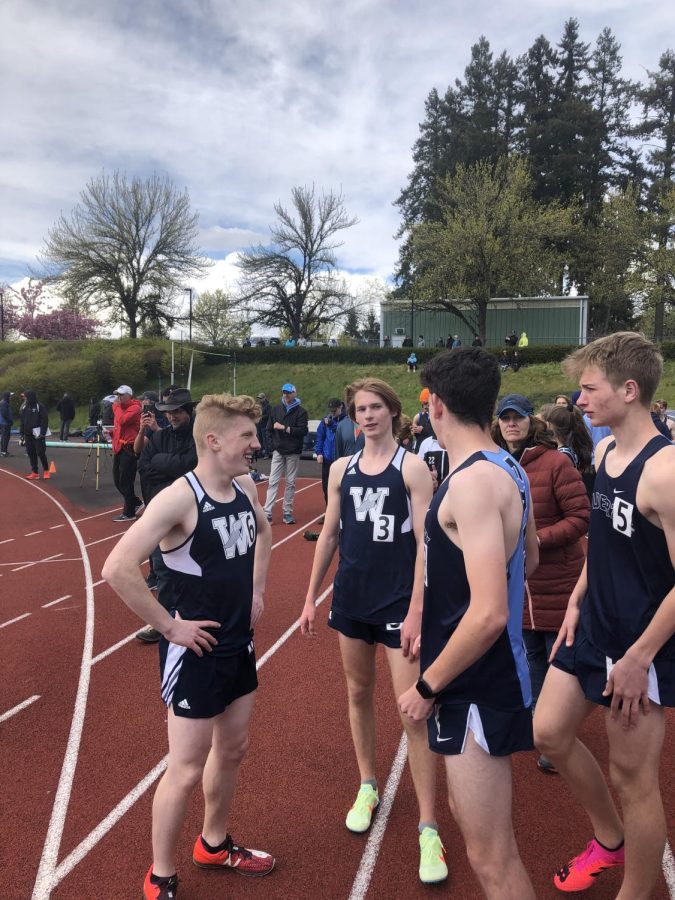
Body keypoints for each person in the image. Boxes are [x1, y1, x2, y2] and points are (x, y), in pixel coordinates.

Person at [102, 393, 275, 899]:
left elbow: (263, 535)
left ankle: (214, 843)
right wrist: (171, 627)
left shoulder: (244, 486)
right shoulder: (180, 497)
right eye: (246, 436)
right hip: (195, 653)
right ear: (214, 440)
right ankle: (160, 873)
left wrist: (258, 589)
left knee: (234, 748)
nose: (256, 444)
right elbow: (116, 568)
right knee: (184, 768)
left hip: (238, 644)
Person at [534, 332, 675, 897]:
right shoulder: (605, 450)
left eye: (589, 388)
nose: (579, 399)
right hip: (593, 623)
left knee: (633, 778)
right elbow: (610, 539)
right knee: (547, 732)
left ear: (630, 390)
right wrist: (576, 596)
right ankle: (609, 840)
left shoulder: (664, 471)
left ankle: (635, 893)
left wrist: (640, 657)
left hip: (641, 643)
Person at [397, 348, 539, 900]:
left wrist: (426, 687)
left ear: (437, 407)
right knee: (467, 818)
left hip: (474, 684)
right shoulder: (509, 468)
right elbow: (529, 560)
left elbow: (489, 613)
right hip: (479, 676)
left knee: (491, 856)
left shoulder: (474, 483)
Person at [301, 378, 447, 886]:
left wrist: (416, 609)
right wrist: (309, 597)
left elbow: (428, 544)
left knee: (412, 707)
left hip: (396, 603)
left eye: (375, 407)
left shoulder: (411, 469)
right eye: (359, 409)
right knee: (358, 692)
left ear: (392, 412)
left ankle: (429, 825)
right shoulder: (341, 469)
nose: (366, 416)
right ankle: (368, 782)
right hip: (352, 599)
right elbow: (331, 533)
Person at [492, 394, 590, 774]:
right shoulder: (497, 464)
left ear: (531, 421)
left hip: (557, 582)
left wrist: (535, 541)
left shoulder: (555, 463)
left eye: (518, 417)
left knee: (559, 656)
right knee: (532, 653)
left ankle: (557, 732)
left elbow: (580, 517)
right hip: (521, 586)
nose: (511, 424)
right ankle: (539, 723)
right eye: (505, 418)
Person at [135, 388, 198, 642]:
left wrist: (162, 463)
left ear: (189, 412)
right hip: (160, 513)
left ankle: (193, 614)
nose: (173, 417)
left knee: (194, 566)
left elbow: (190, 466)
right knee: (162, 568)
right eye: (169, 412)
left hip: (191, 515)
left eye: (178, 412)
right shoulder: (160, 439)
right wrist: (172, 466)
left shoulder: (198, 438)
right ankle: (165, 621)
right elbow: (144, 466)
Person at [263, 383, 308, 525]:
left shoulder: (301, 412)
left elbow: (303, 431)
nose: (286, 395)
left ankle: (287, 512)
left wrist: (285, 428)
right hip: (278, 451)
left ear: (294, 393)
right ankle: (267, 512)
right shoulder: (276, 409)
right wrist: (272, 447)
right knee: (272, 481)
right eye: (284, 392)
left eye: (288, 392)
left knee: (290, 483)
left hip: (293, 452)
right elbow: (268, 429)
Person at [111, 385, 142, 522]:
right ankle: (134, 502)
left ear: (130, 395)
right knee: (117, 480)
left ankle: (129, 512)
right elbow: (119, 427)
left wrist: (116, 407)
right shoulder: (121, 408)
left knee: (125, 480)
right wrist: (111, 433)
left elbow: (122, 421)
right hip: (119, 448)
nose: (118, 398)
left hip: (129, 448)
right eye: (117, 395)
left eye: (121, 395)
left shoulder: (135, 408)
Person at [314, 398, 346, 516]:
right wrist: (319, 453)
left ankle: (343, 513)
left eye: (335, 410)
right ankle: (329, 512)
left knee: (343, 487)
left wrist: (332, 424)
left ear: (341, 407)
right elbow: (320, 437)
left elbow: (342, 433)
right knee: (326, 487)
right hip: (327, 459)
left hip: (341, 460)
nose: (332, 412)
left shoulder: (346, 420)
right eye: (331, 410)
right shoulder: (325, 421)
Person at [20, 389, 51, 480]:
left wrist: (42, 433)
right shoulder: (24, 407)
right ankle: (35, 472)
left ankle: (46, 470)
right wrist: (22, 434)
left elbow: (44, 420)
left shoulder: (39, 406)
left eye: (25, 396)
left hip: (38, 434)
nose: (24, 398)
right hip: (28, 434)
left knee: (40, 453)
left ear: (30, 397)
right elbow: (22, 421)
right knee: (31, 453)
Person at [411, 388, 434, 452]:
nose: (424, 406)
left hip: (432, 449)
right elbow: (413, 433)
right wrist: (414, 430)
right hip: (420, 448)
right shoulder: (418, 417)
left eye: (426, 403)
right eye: (423, 404)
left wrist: (423, 430)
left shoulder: (438, 416)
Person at [255, 392, 271, 458]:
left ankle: (266, 453)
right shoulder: (258, 405)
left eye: (260, 398)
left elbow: (269, 415)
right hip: (258, 425)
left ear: (264, 398)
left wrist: (261, 417)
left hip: (264, 425)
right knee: (259, 439)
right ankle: (260, 453)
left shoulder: (268, 406)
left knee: (265, 440)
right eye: (258, 398)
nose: (259, 399)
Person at [0, 391, 13, 456]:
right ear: (7, 396)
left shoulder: (5, 403)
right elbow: (4, 413)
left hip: (5, 423)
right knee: (5, 437)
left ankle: (4, 451)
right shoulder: (3, 403)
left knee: (5, 437)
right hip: (5, 423)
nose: (11, 397)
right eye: (10, 396)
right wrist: (10, 421)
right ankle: (3, 452)